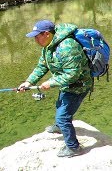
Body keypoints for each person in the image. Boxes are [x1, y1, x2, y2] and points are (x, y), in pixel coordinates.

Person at [17, 20, 93, 157]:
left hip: (78, 86)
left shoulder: (67, 47)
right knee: (60, 104)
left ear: (46, 34)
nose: (35, 39)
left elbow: (72, 74)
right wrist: (28, 82)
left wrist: (50, 83)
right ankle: (59, 127)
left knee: (63, 116)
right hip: (66, 85)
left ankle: (74, 148)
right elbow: (42, 66)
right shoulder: (48, 46)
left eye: (36, 36)